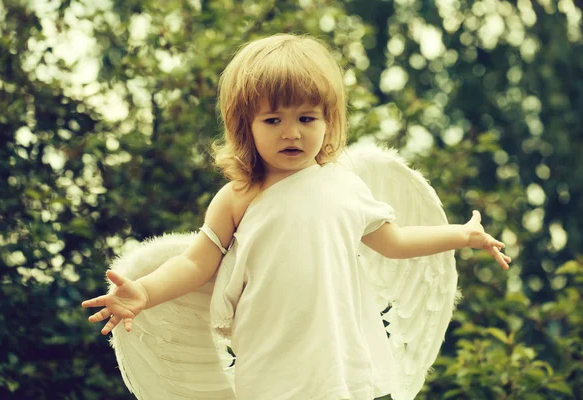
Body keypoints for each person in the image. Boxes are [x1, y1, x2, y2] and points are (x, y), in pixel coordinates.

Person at [82, 33, 511, 400]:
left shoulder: (344, 185)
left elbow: (394, 243)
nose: (292, 132)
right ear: (245, 126)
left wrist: (463, 234)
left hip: (339, 351)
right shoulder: (238, 196)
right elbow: (196, 262)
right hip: (271, 355)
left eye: (307, 117)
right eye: (273, 119)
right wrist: (145, 292)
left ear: (329, 121)